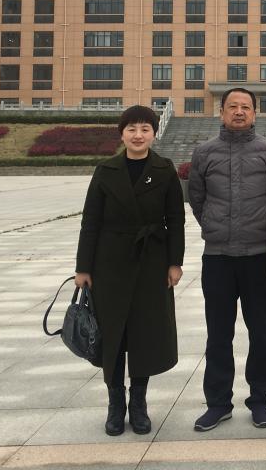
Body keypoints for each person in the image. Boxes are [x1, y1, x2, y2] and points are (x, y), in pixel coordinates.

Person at [75, 105, 185, 437]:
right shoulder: (105, 170)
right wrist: (83, 267)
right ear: (122, 134)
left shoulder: (164, 169)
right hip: (109, 263)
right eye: (132, 129)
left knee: (144, 333)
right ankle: (115, 403)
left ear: (154, 133)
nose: (138, 135)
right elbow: (90, 221)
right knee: (112, 334)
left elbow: (175, 220)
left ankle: (138, 403)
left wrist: (175, 262)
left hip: (151, 262)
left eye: (145, 129)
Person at [188, 88, 266, 431]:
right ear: (222, 112)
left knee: (261, 332)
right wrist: (215, 226)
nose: (239, 112)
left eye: (245, 107)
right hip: (218, 258)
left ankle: (260, 400)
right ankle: (218, 403)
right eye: (232, 107)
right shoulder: (204, 153)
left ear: (255, 113)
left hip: (258, 256)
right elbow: (197, 199)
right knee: (218, 334)